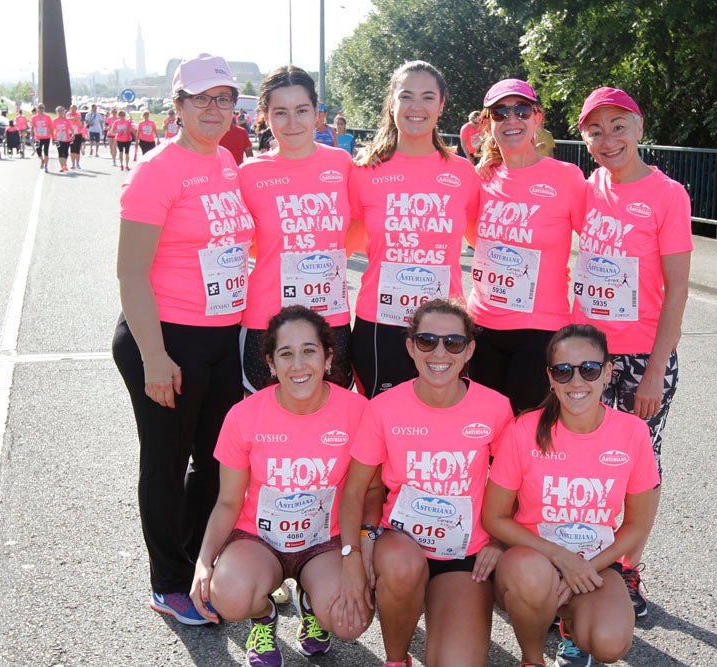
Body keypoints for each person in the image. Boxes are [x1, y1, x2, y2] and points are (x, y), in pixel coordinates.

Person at [111, 53, 255, 626]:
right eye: (201, 99)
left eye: (224, 98)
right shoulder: (156, 168)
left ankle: (200, 560)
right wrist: (154, 355)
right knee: (167, 462)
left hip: (221, 336)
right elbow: (129, 273)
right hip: (167, 336)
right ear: (178, 106)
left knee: (219, 463)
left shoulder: (224, 159)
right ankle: (167, 581)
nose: (215, 108)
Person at [189, 306, 374, 666]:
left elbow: (371, 490)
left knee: (351, 621)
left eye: (309, 350)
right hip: (259, 540)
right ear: (271, 365)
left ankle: (312, 605)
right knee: (228, 595)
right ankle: (263, 616)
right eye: (285, 354)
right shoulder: (243, 416)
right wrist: (203, 561)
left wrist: (360, 548)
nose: (298, 364)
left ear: (328, 357)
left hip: (326, 541)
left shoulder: (359, 411)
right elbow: (228, 501)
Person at [571, 86, 692, 623]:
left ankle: (627, 568)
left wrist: (657, 371)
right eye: (595, 131)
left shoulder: (668, 194)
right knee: (585, 463)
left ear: (639, 128)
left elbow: (678, 290)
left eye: (618, 126)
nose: (607, 139)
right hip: (587, 356)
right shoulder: (586, 189)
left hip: (643, 354)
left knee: (638, 467)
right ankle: (584, 562)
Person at [337, 298, 513, 667]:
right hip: (399, 547)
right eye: (427, 341)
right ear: (410, 346)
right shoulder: (383, 407)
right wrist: (355, 551)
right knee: (401, 564)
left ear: (469, 350)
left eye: (453, 343)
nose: (440, 353)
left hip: (465, 557)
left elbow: (515, 481)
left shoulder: (495, 407)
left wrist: (498, 539)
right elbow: (354, 489)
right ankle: (396, 659)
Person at [482, 324, 661, 667]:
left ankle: (571, 625)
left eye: (589, 369)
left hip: (593, 564)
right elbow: (494, 517)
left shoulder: (633, 433)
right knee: (531, 576)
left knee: (610, 644)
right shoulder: (525, 430)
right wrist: (561, 558)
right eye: (563, 371)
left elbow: (637, 523)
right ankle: (532, 659)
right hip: (531, 561)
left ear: (607, 373)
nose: (576, 382)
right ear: (550, 378)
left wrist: (587, 566)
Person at [348, 60, 480, 397]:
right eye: (406, 96)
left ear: (441, 106)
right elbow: (340, 246)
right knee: (380, 434)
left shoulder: (463, 174)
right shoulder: (364, 171)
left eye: (427, 97)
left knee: (437, 433)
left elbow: (487, 242)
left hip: (444, 329)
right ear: (392, 103)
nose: (416, 107)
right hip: (380, 325)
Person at [466, 79, 586, 415]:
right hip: (483, 326)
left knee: (528, 433)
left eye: (521, 110)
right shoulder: (480, 180)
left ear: (537, 118)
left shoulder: (567, 177)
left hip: (540, 330)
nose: (511, 119)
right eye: (500, 113)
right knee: (484, 434)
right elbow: (474, 238)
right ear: (488, 124)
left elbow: (600, 242)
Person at [238, 65, 355, 394]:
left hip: (330, 318)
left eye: (302, 110)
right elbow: (235, 242)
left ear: (317, 112)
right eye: (281, 112)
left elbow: (360, 228)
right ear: (265, 116)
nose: (293, 122)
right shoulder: (247, 174)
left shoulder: (343, 165)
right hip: (266, 321)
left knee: (332, 428)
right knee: (266, 430)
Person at [31, 103, 52, 172]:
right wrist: (32, 136)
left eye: (42, 108)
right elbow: (32, 127)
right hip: (38, 137)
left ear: (44, 109)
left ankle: (46, 165)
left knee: (46, 151)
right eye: (39, 108)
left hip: (46, 137)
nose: (41, 109)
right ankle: (42, 160)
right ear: (37, 109)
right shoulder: (34, 117)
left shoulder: (48, 117)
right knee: (38, 151)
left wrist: (53, 136)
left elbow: (50, 127)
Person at [51, 106, 72, 172]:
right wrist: (53, 138)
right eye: (58, 111)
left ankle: (64, 164)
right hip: (58, 138)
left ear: (64, 112)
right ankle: (62, 166)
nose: (60, 113)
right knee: (60, 152)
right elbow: (52, 130)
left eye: (61, 111)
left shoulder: (67, 121)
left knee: (65, 152)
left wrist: (73, 134)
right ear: (56, 112)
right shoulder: (55, 121)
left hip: (66, 139)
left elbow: (71, 129)